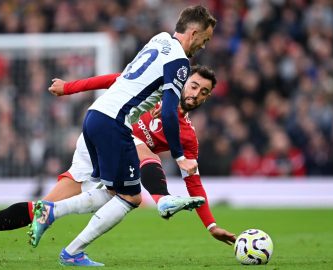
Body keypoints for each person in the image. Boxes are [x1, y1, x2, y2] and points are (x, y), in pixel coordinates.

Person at [0, 65, 236, 261]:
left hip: (108, 151)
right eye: (194, 85)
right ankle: (161, 200)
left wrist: (211, 226)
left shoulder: (188, 136)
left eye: (203, 91)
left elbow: (194, 181)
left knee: (45, 207)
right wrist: (68, 88)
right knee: (134, 183)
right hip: (107, 134)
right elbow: (112, 80)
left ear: (207, 97)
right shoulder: (161, 86)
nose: (196, 93)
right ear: (185, 82)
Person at [28, 5, 216, 266]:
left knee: (115, 192)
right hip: (115, 122)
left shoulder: (159, 40)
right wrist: (179, 156)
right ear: (194, 33)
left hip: (95, 115)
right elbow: (170, 113)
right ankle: (60, 229)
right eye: (204, 40)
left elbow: (120, 78)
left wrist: (69, 87)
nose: (203, 46)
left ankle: (61, 226)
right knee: (130, 198)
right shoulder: (180, 62)